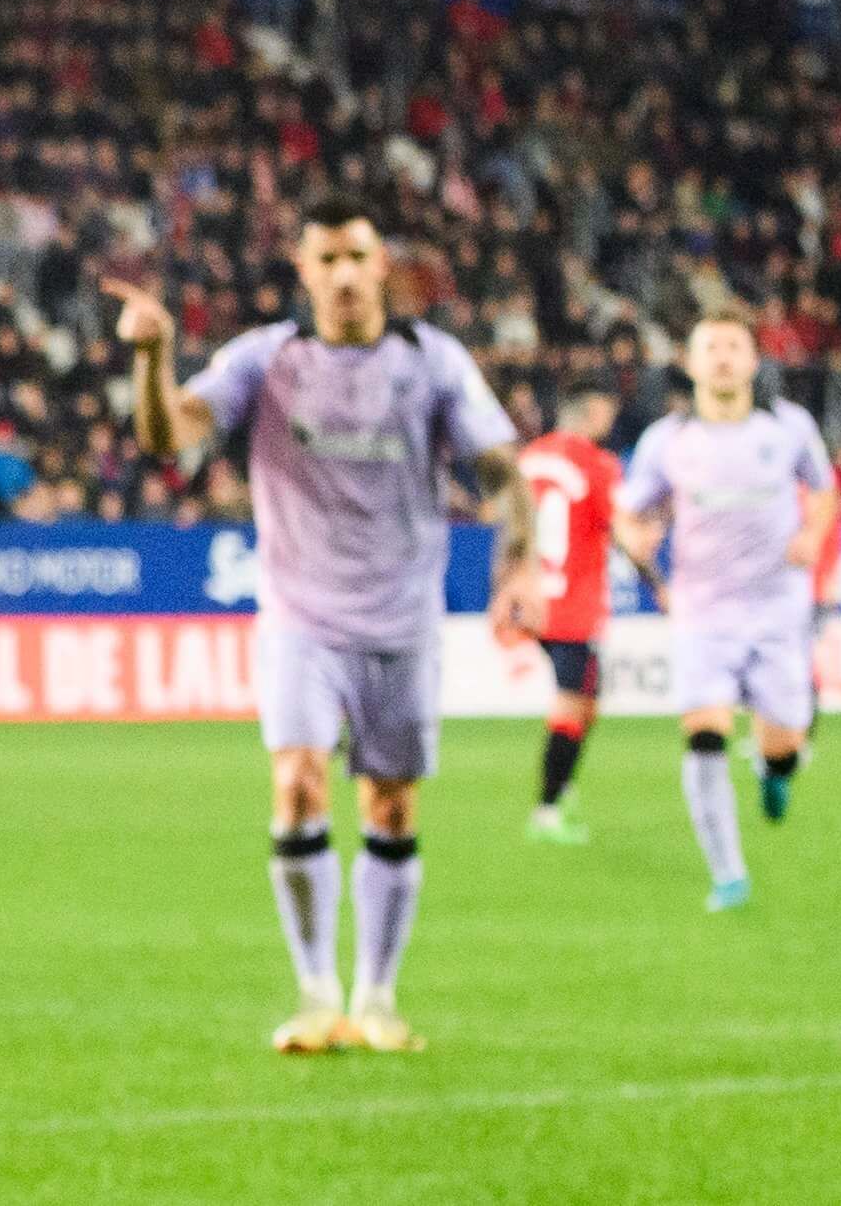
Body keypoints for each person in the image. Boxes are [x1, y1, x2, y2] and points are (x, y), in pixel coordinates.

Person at [111, 193, 534, 1055]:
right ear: (303, 272)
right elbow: (168, 436)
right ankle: (314, 992)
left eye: (356, 257)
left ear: (382, 267)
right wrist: (151, 361)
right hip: (299, 614)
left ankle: (375, 997)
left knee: (389, 803)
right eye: (326, 260)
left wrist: (517, 561)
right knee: (297, 779)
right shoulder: (267, 359)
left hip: (402, 619)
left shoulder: (433, 361)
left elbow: (501, 468)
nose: (342, 274)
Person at [610, 307, 836, 911]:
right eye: (712, 347)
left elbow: (824, 491)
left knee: (782, 741)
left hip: (777, 611)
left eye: (735, 346)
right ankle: (728, 874)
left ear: (753, 359)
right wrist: (641, 549)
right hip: (703, 614)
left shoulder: (788, 427)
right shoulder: (668, 441)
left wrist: (814, 536)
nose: (724, 357)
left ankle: (777, 770)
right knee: (705, 735)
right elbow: (629, 513)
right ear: (691, 362)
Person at [518, 380, 623, 843]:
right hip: (575, 605)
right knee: (571, 705)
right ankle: (547, 808)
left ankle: (561, 786)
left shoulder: (527, 458)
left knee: (586, 702)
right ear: (594, 410)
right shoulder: (598, 465)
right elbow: (622, 527)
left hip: (532, 599)